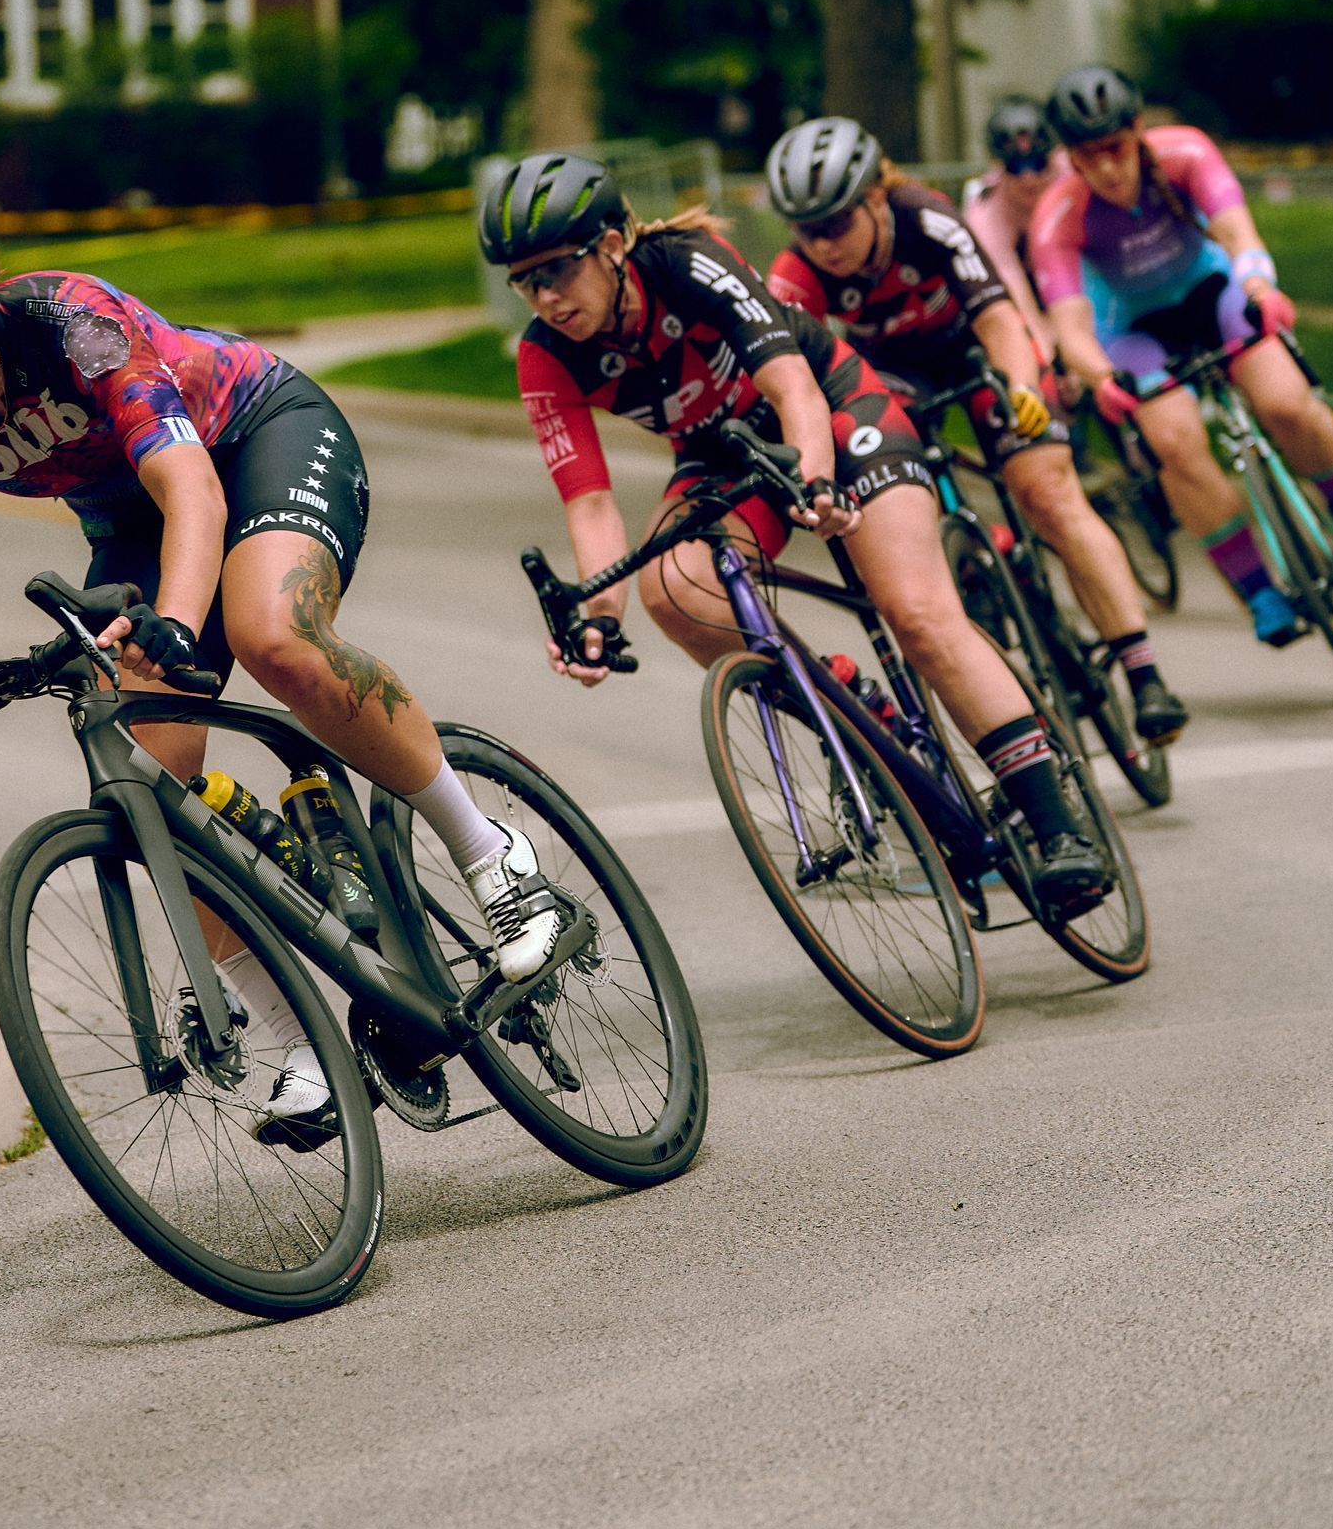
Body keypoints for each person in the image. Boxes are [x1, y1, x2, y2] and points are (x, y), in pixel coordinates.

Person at [0, 181, 565, 1147]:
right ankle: (300, 1043)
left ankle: (494, 855)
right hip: (132, 521)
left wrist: (173, 618)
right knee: (148, 782)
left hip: (254, 442)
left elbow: (190, 485)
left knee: (270, 635)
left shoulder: (72, 324)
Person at [483, 149, 1114, 922]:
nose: (544, 297)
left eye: (556, 270)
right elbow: (590, 505)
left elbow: (791, 386)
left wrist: (814, 480)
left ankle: (1058, 824)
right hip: (723, 456)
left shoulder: (687, 264)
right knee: (674, 591)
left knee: (915, 612)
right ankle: (846, 701)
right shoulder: (546, 357)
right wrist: (598, 617)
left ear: (613, 246)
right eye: (525, 281)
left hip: (835, 414)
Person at [761, 117, 1188, 747]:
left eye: (835, 224)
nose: (822, 245)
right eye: (806, 229)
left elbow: (998, 319)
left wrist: (1020, 387)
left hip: (980, 350)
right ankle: (983, 553)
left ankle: (1142, 671)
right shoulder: (798, 272)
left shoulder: (925, 218)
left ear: (875, 197)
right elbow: (795, 373)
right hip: (896, 374)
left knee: (1047, 493)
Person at [1029, 67, 1333, 643]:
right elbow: (1069, 326)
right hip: (1135, 332)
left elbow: (1240, 236)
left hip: (1215, 297)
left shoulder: (1187, 152)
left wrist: (1260, 289)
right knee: (1174, 443)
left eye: (1114, 148)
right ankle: (1257, 589)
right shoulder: (1056, 218)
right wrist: (1098, 376)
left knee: (1285, 400)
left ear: (1138, 130)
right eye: (1085, 157)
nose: (1105, 168)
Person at [964, 97, 1067, 370]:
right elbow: (1012, 285)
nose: (1028, 178)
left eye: (1037, 163)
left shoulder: (1073, 175)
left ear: (1056, 154)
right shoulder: (985, 211)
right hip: (1027, 283)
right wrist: (1050, 355)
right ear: (997, 165)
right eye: (1016, 166)